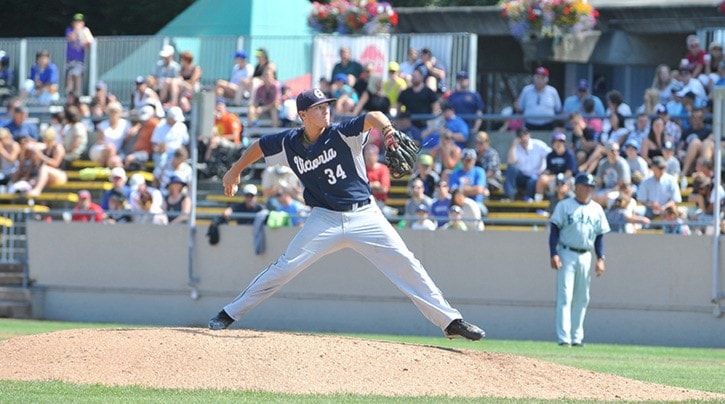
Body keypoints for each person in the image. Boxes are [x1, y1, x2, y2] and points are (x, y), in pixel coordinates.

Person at [208, 88, 485, 341]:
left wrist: (388, 131)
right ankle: (229, 313)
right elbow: (259, 146)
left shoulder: (342, 132)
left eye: (326, 105)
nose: (325, 110)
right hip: (324, 218)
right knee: (285, 267)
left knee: (406, 263)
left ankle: (450, 321)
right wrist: (235, 171)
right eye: (318, 107)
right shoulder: (289, 143)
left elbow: (373, 116)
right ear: (302, 114)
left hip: (365, 215)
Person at [548, 172, 610, 347]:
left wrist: (601, 258)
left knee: (583, 297)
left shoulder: (596, 208)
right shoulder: (564, 205)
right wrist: (554, 253)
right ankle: (564, 338)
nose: (588, 189)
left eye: (591, 187)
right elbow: (554, 230)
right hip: (566, 252)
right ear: (577, 187)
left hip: (586, 254)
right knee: (565, 296)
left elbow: (600, 236)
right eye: (585, 186)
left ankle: (577, 337)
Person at [504, 127, 551, 201]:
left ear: (529, 135)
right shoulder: (516, 147)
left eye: (525, 135)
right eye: (521, 136)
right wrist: (513, 146)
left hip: (536, 177)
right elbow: (511, 162)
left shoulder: (538, 144)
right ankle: (509, 196)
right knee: (511, 168)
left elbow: (551, 156)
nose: (523, 138)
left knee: (533, 179)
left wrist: (546, 170)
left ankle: (530, 199)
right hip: (521, 177)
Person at [535, 131, 577, 202]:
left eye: (561, 142)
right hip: (554, 179)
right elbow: (548, 170)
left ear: (564, 143)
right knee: (542, 179)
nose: (558, 144)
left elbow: (569, 173)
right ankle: (538, 203)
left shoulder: (569, 155)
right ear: (552, 144)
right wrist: (544, 174)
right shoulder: (550, 155)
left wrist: (558, 179)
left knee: (562, 187)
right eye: (556, 142)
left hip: (568, 179)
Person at [517, 66, 562, 131]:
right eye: (538, 77)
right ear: (534, 78)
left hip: (548, 125)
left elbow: (558, 109)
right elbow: (520, 108)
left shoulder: (553, 91)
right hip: (529, 125)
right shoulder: (526, 90)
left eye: (542, 78)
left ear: (547, 79)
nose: (539, 80)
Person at [64, 13, 94, 97]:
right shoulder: (69, 30)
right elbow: (70, 38)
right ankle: (68, 95)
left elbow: (88, 43)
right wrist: (76, 30)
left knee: (77, 74)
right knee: (69, 76)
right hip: (70, 58)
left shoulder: (85, 31)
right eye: (76, 22)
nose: (78, 23)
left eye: (80, 22)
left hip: (79, 59)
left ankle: (77, 95)